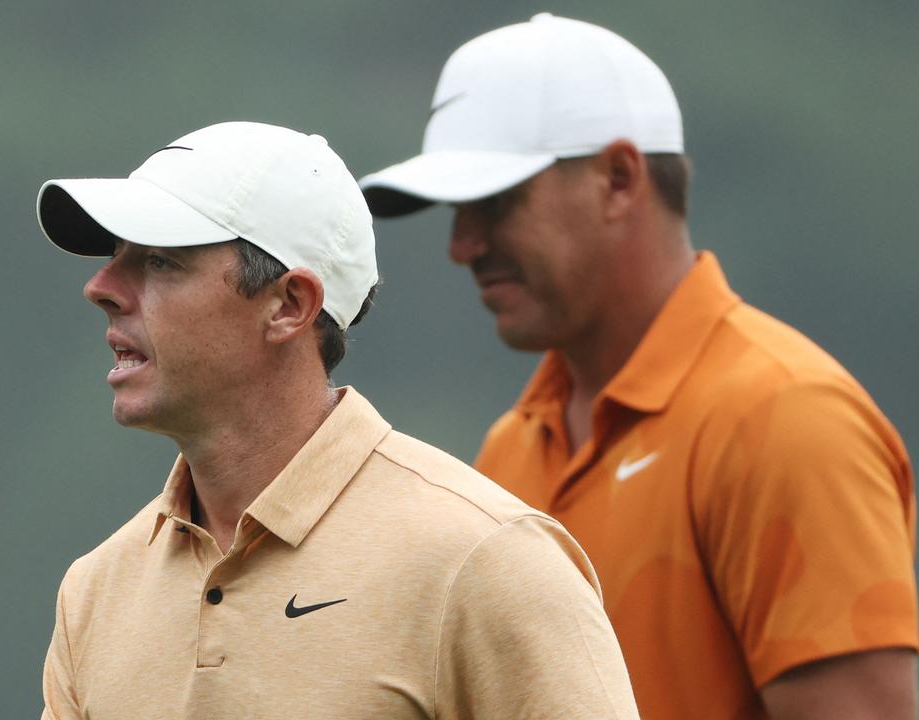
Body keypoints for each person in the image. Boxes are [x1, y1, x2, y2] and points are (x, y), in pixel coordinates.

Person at [359, 14, 919, 720]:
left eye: (494, 202)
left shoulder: (789, 420)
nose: (462, 244)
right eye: (457, 211)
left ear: (619, 180)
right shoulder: (513, 449)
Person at [34, 121, 639, 719]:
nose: (101, 286)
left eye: (161, 262)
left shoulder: (485, 560)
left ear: (290, 306)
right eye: (116, 256)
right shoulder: (94, 592)